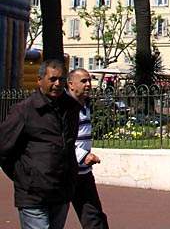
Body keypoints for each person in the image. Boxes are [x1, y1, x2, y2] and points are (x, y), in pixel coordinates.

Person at [0, 59, 80, 229]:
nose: (58, 84)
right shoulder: (24, 110)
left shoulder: (71, 108)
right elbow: (3, 148)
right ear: (39, 80)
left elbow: (69, 144)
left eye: (62, 79)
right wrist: (24, 176)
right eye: (52, 79)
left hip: (61, 191)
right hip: (33, 194)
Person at [67, 69, 109, 229]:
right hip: (65, 173)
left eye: (89, 81)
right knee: (52, 218)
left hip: (83, 173)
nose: (88, 85)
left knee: (94, 218)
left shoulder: (85, 105)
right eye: (83, 81)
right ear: (71, 84)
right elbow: (61, 138)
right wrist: (83, 155)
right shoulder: (64, 108)